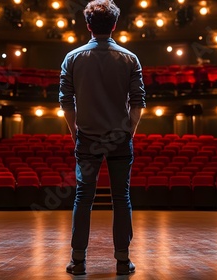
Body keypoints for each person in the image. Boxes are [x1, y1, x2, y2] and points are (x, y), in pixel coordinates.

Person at [59, 0, 146, 276]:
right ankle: (123, 261)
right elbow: (138, 103)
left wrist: (75, 132)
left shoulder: (72, 58)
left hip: (86, 138)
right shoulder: (130, 58)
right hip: (120, 137)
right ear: (114, 25)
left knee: (83, 198)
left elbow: (66, 103)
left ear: (88, 26)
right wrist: (129, 132)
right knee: (122, 198)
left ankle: (78, 260)